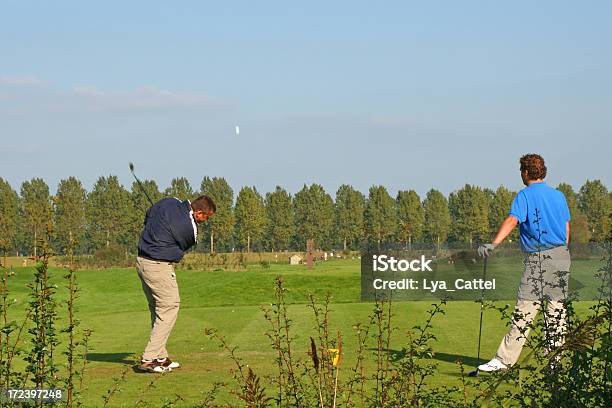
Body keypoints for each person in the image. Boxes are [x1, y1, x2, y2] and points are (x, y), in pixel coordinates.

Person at [477, 154, 571, 372]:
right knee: (556, 312)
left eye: (521, 171)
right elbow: (566, 229)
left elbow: (512, 220)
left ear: (526, 172)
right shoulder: (559, 196)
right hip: (561, 257)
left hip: (539, 257)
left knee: (525, 311)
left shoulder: (525, 195)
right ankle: (554, 363)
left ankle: (503, 361)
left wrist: (493, 244)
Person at [135, 195, 216, 373]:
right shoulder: (190, 229)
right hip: (158, 266)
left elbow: (149, 216)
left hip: (142, 261)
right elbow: (185, 244)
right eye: (206, 217)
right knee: (170, 306)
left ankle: (160, 357)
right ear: (199, 212)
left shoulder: (169, 201)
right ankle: (149, 359)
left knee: (158, 309)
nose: (205, 221)